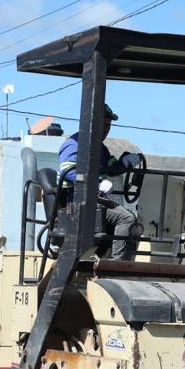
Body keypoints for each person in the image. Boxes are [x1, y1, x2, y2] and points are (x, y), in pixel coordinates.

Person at [57, 104, 142, 260]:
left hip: (92, 200)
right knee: (126, 218)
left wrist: (126, 162)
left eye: (108, 126)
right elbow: (68, 172)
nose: (106, 129)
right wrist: (95, 185)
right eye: (103, 125)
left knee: (127, 219)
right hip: (74, 203)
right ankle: (117, 264)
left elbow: (112, 168)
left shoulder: (100, 148)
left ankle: (105, 257)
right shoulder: (74, 144)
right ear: (91, 123)